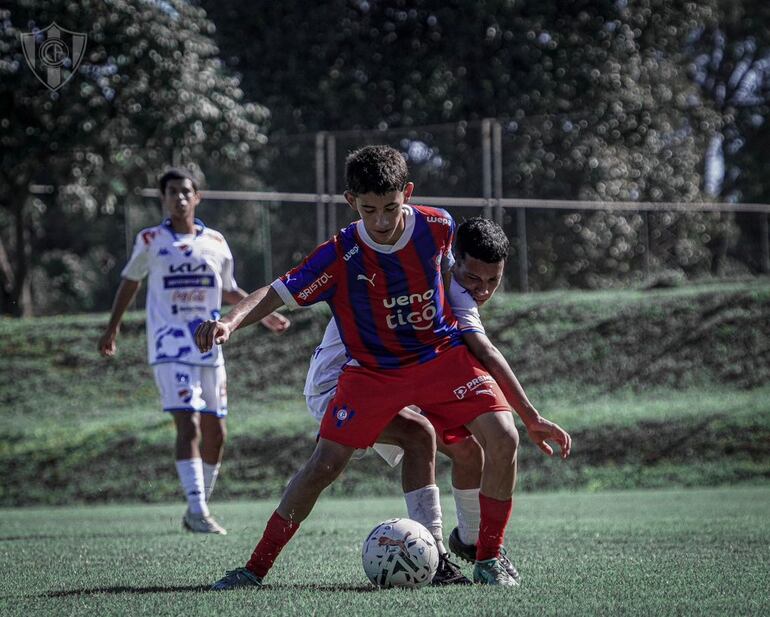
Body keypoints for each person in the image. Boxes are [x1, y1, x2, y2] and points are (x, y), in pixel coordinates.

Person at [196, 145, 561, 588]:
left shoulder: (438, 225)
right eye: (370, 210)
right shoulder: (338, 255)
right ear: (352, 202)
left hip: (439, 356)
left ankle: (487, 558)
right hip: (373, 372)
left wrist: (529, 414)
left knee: (502, 437)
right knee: (325, 464)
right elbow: (273, 293)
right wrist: (230, 321)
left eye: (391, 207)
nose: (383, 221)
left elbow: (455, 286)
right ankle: (253, 569)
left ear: (407, 193)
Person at [304, 217, 571, 583]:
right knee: (417, 437)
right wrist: (530, 415)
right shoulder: (425, 275)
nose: (483, 289)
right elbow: (485, 351)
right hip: (340, 384)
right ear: (451, 258)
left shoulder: (451, 283)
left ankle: (471, 542)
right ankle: (439, 555)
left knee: (468, 451)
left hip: (394, 378)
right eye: (475, 278)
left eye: (493, 281)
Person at [98, 167, 290, 535]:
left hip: (209, 346)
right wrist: (113, 327)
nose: (180, 198)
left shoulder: (215, 242)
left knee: (217, 430)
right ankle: (198, 508)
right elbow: (130, 282)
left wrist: (263, 317)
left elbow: (228, 290)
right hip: (169, 345)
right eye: (172, 192)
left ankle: (197, 505)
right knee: (189, 421)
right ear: (163, 198)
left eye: (186, 192)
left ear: (197, 197)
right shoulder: (151, 239)